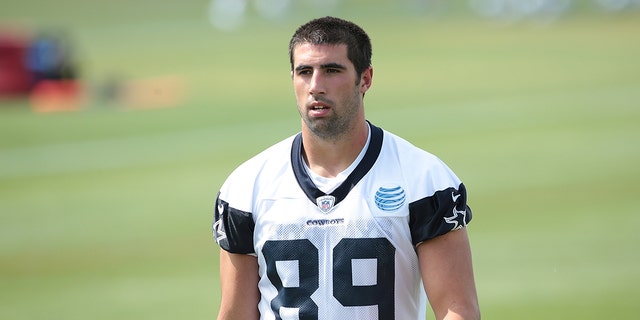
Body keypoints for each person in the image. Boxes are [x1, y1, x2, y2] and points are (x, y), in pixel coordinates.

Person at [212, 16, 480, 320]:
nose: (315, 86)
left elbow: (457, 310)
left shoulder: (423, 179)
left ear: (365, 79)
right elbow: (236, 313)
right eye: (304, 72)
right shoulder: (247, 186)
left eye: (331, 70)